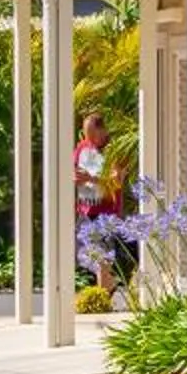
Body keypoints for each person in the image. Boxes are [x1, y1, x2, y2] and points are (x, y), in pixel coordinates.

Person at [74, 112, 123, 289]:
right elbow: (72, 171)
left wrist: (91, 179)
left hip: (105, 212)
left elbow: (116, 182)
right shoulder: (82, 148)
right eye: (87, 135)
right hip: (85, 210)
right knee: (87, 256)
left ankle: (104, 296)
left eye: (94, 135)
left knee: (102, 257)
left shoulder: (114, 149)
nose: (91, 140)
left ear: (104, 130)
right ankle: (108, 288)